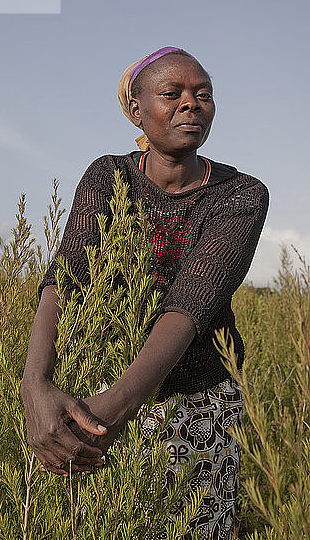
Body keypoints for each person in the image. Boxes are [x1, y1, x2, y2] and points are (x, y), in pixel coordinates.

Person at [21, 46, 269, 538]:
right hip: (96, 389)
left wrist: (114, 409)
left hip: (197, 401)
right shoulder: (108, 176)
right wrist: (35, 383)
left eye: (203, 95)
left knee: (198, 525)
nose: (190, 104)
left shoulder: (241, 194)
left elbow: (190, 305)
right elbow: (67, 276)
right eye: (171, 94)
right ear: (136, 109)